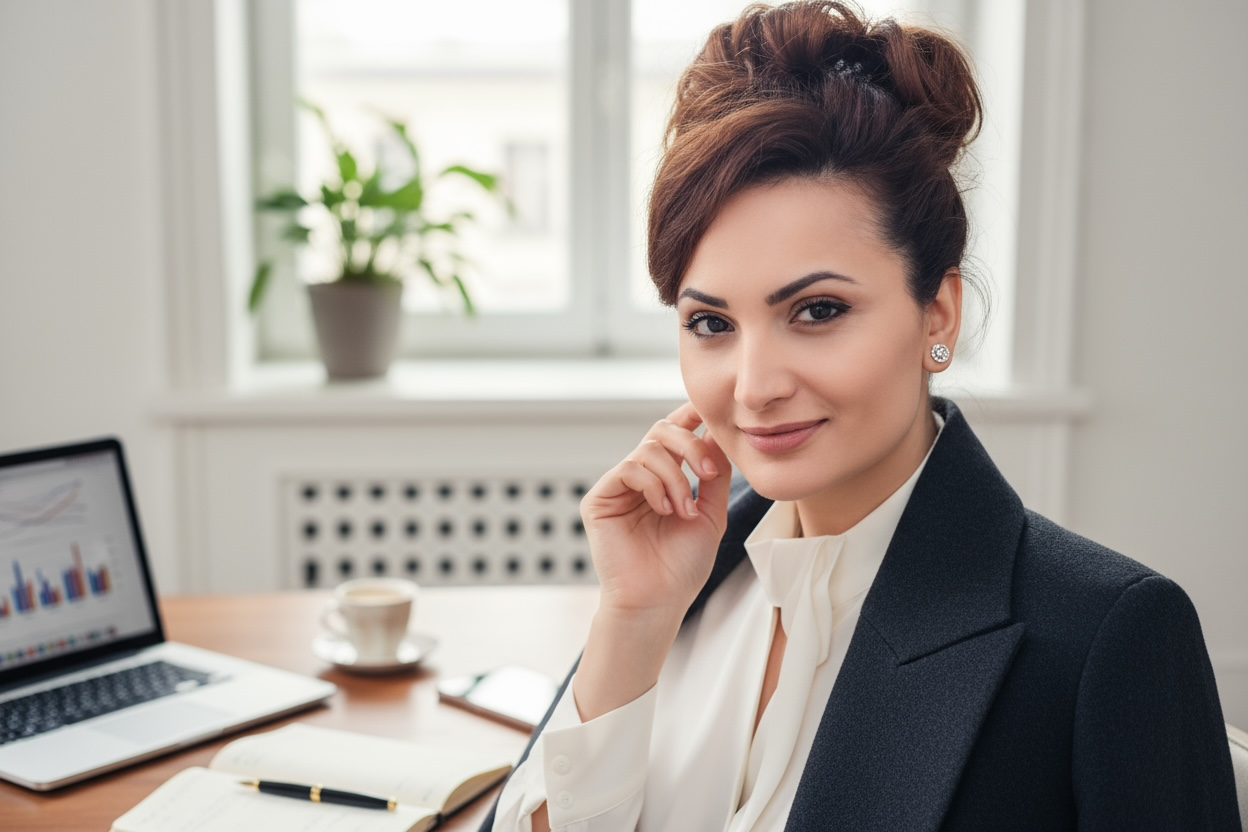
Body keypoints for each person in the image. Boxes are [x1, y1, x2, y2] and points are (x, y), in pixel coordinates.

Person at [485, 2, 1241, 829]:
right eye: (711, 323)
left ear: (937, 316)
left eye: (816, 311)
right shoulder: (685, 587)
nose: (753, 385)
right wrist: (632, 620)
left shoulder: (1107, 638)